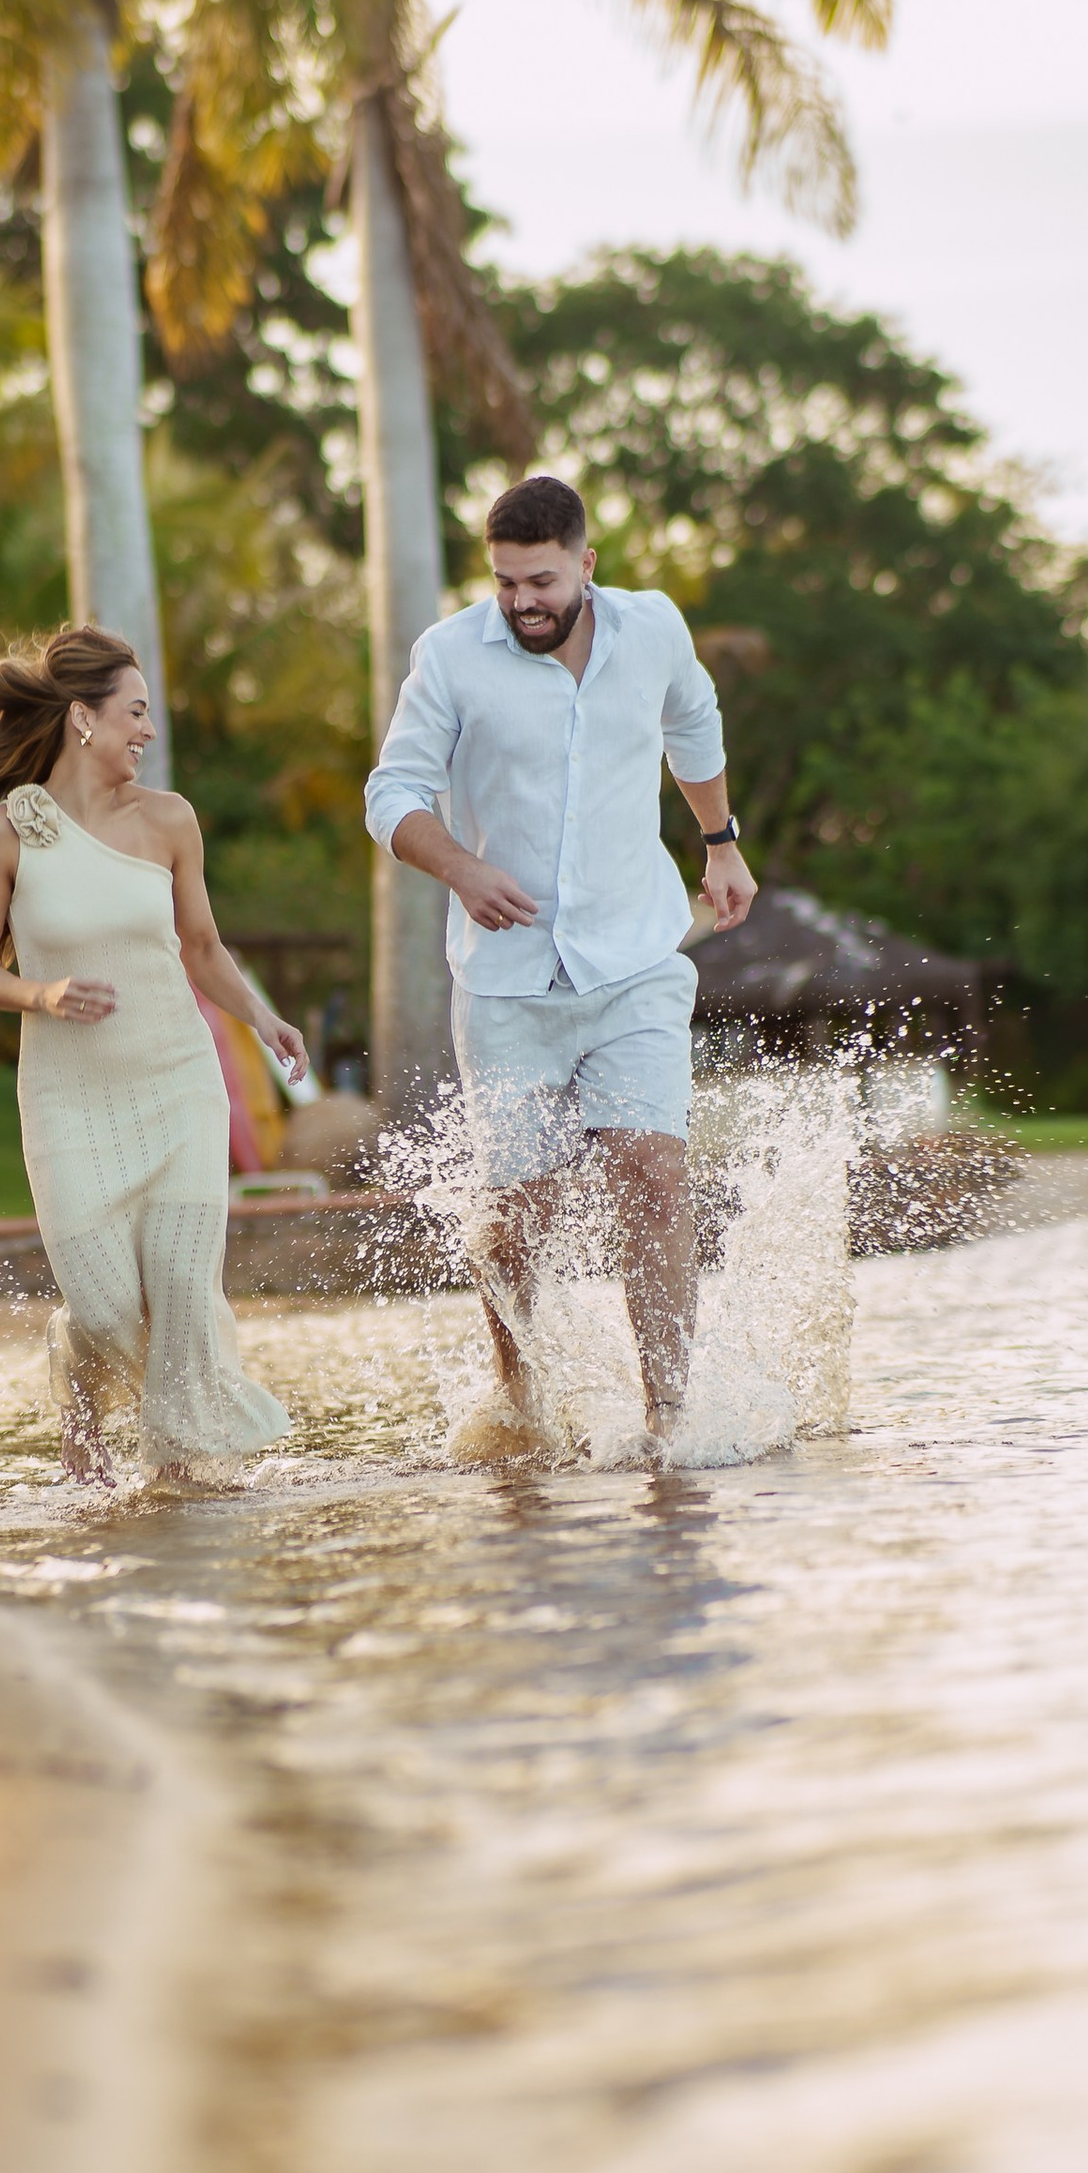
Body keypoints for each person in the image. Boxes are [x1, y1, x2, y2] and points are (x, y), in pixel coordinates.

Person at [364, 474, 756, 1460]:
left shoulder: (653, 628)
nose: (521, 601)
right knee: (514, 1219)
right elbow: (391, 791)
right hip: (507, 988)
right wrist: (458, 868)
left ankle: (668, 1412)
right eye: (504, 581)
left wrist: (719, 841)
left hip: (634, 962)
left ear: (586, 564)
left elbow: (694, 719)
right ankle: (521, 1396)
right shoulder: (450, 656)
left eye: (539, 579)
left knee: (655, 1176)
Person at [0, 625, 302, 1481]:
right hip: (68, 1099)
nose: (147, 731)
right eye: (135, 712)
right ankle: (77, 1369)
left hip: (177, 1082)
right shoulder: (7, 834)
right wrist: (39, 994)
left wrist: (264, 1020)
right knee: (109, 1308)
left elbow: (201, 946)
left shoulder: (170, 821)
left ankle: (179, 1490)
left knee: (185, 1301)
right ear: (83, 718)